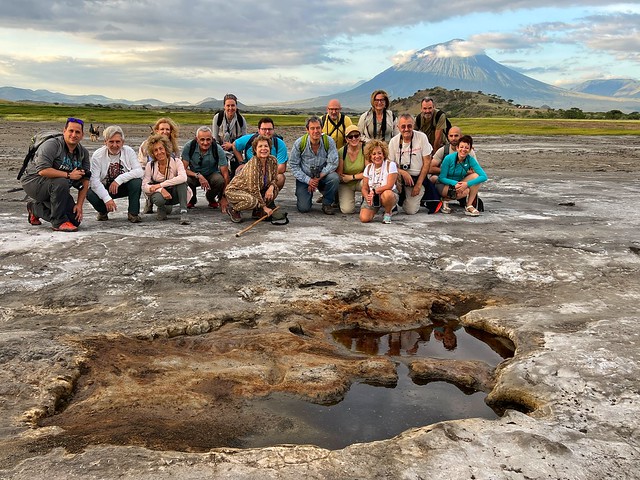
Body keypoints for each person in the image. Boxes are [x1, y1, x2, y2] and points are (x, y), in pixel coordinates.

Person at [21, 117, 91, 232]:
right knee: (61, 181)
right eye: (71, 131)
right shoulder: (52, 145)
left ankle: (34, 208)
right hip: (34, 182)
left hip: (57, 189)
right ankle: (58, 222)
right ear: (64, 131)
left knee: (75, 220)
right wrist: (69, 175)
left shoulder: (83, 153)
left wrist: (79, 205)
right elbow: (42, 170)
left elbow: (85, 179)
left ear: (82, 135)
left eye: (77, 132)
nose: (74, 135)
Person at [87, 125, 144, 223]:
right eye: (111, 142)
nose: (114, 145)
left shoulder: (128, 151)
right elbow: (94, 181)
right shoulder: (97, 155)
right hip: (105, 187)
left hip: (122, 186)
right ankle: (103, 211)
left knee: (136, 182)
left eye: (118, 142)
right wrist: (107, 198)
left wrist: (119, 180)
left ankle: (133, 213)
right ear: (105, 142)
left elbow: (139, 171)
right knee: (89, 193)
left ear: (123, 142)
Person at [289, 116, 339, 215]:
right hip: (305, 178)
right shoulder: (299, 143)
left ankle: (327, 203)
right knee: (304, 208)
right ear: (307, 130)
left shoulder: (328, 141)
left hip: (323, 177)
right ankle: (303, 195)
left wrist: (318, 178)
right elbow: (294, 165)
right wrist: (308, 180)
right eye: (312, 128)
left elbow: (333, 163)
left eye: (318, 128)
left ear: (321, 128)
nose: (316, 131)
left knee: (334, 178)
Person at [224, 135, 279, 223]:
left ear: (270, 148)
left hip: (254, 190)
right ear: (255, 149)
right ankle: (233, 209)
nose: (263, 149)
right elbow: (254, 189)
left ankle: (257, 212)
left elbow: (275, 178)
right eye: (260, 146)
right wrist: (265, 207)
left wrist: (271, 187)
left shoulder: (273, 160)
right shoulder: (253, 164)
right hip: (236, 190)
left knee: (274, 189)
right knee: (252, 201)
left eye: (266, 146)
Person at [388, 114, 433, 215]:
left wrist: (418, 184)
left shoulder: (422, 137)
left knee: (410, 210)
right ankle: (393, 204)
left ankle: (415, 196)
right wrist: (403, 172)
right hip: (399, 178)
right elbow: (389, 164)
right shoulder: (393, 141)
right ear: (398, 127)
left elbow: (427, 162)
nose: (406, 129)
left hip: (417, 178)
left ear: (414, 125)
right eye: (403, 126)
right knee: (391, 174)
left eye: (409, 126)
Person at [141, 134, 191, 225]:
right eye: (155, 150)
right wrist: (161, 189)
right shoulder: (150, 165)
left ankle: (184, 211)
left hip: (173, 193)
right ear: (152, 153)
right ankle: (161, 207)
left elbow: (183, 177)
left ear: (166, 149)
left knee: (182, 183)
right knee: (159, 200)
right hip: (160, 195)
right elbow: (144, 185)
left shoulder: (176, 161)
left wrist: (160, 185)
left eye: (161, 148)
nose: (159, 152)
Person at [429, 126, 478, 213]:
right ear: (447, 137)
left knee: (476, 177)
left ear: (461, 136)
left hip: (460, 179)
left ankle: (469, 204)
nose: (453, 138)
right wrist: (449, 170)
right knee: (433, 178)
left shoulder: (469, 151)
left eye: (456, 136)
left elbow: (475, 170)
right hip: (446, 180)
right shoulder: (443, 150)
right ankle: (439, 199)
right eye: (451, 136)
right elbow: (430, 168)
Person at [436, 135, 487, 217]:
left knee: (476, 176)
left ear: (470, 149)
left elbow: (484, 176)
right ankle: (445, 200)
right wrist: (455, 183)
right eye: (461, 147)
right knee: (464, 191)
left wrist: (467, 184)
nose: (463, 150)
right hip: (444, 184)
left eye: (467, 148)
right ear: (457, 148)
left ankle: (469, 205)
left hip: (460, 184)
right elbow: (441, 178)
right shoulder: (448, 158)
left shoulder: (470, 159)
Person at [181, 126, 229, 211]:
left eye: (208, 139)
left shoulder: (217, 149)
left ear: (212, 139)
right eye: (202, 139)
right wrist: (198, 175)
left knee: (220, 180)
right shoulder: (189, 147)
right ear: (197, 139)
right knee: (185, 179)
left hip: (211, 174)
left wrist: (224, 197)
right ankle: (191, 199)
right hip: (194, 175)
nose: (205, 143)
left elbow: (225, 174)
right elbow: (182, 169)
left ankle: (211, 197)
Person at [138, 117, 180, 214]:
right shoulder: (146, 145)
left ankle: (164, 202)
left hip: (167, 181)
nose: (165, 131)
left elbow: (177, 166)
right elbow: (141, 163)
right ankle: (149, 200)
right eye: (162, 129)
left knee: (168, 210)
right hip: (151, 179)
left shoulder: (174, 147)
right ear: (156, 130)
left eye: (167, 129)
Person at [232, 117, 288, 189]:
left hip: (270, 174)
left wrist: (264, 173)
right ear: (259, 131)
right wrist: (241, 162)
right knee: (239, 171)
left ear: (273, 130)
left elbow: (282, 168)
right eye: (264, 129)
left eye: (270, 129)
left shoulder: (280, 144)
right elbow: (234, 145)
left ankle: (269, 197)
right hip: (250, 171)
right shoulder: (249, 139)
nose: (267, 132)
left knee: (280, 178)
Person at [359, 139, 398, 224]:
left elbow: (389, 186)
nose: (377, 156)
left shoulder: (391, 165)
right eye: (374, 154)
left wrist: (374, 191)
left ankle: (388, 212)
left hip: (386, 193)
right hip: (373, 196)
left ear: (384, 154)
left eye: (379, 153)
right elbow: (364, 188)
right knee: (364, 218)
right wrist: (367, 197)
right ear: (370, 156)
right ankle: (375, 209)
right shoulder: (368, 168)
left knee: (388, 194)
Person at [336, 125, 368, 214]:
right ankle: (339, 198)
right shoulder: (342, 152)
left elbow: (368, 172)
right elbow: (340, 174)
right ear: (346, 139)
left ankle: (368, 203)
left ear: (360, 136)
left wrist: (351, 177)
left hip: (360, 181)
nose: (354, 138)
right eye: (350, 137)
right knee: (347, 210)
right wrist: (347, 178)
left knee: (369, 182)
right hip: (346, 184)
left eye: (356, 136)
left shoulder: (365, 149)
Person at [212, 93, 247, 165]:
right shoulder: (218, 118)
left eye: (233, 105)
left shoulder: (241, 120)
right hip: (220, 149)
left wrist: (231, 146)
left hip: (236, 149)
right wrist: (222, 149)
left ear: (236, 106)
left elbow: (244, 141)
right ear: (224, 106)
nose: (230, 108)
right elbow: (215, 138)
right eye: (228, 105)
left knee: (237, 171)